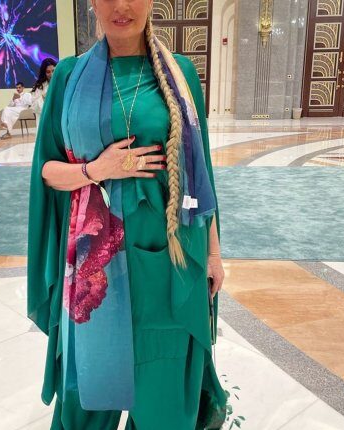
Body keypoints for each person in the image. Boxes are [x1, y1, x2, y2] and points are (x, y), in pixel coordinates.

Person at [27, 0, 227, 429]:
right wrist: (97, 169)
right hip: (96, 268)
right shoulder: (68, 77)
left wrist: (213, 253)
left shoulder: (179, 74)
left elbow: (201, 174)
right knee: (89, 393)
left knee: (164, 397)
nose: (121, 6)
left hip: (169, 260)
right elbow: (46, 171)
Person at [31, 58, 57, 128]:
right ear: (44, 73)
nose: (51, 74)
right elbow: (34, 107)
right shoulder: (39, 87)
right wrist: (43, 97)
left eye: (53, 71)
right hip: (45, 121)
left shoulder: (61, 83)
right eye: (48, 72)